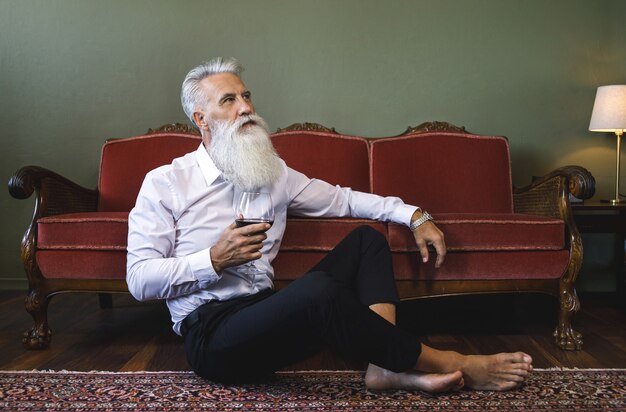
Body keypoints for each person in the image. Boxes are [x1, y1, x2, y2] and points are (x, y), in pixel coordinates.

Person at [126, 57, 533, 393]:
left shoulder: (274, 173)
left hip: (269, 316)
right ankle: (454, 361)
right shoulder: (166, 183)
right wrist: (213, 259)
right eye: (229, 100)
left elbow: (344, 199)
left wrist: (414, 214)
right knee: (318, 291)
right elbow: (139, 280)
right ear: (202, 118)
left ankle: (384, 365)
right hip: (213, 338)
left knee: (366, 241)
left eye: (246, 96)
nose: (246, 107)